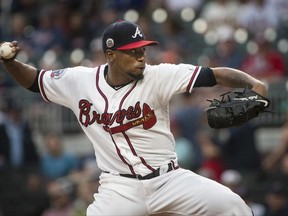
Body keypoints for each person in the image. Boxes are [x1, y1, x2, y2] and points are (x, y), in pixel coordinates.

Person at [0, 20, 269, 215]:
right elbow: (35, 81)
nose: (141, 57)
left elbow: (216, 74)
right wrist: (11, 63)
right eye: (133, 51)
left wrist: (255, 84)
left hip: (169, 180)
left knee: (234, 207)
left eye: (143, 50)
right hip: (119, 188)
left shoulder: (159, 75)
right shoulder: (78, 80)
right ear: (111, 55)